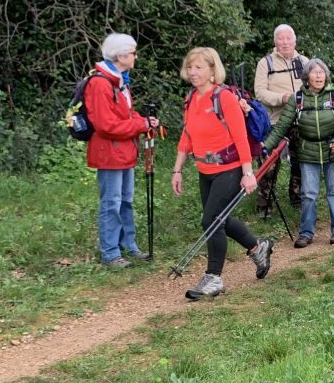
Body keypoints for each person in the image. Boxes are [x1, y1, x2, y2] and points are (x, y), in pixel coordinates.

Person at [172, 47, 274, 300]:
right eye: (190, 67)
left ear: (212, 70)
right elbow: (187, 135)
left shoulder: (224, 97)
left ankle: (213, 278)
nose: (193, 72)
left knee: (211, 220)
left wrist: (248, 173)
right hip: (204, 170)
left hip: (229, 169)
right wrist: (177, 169)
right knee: (220, 219)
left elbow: (240, 136)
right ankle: (257, 247)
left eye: (199, 67)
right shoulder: (191, 98)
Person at [85, 33, 159, 268]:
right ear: (120, 56)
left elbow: (125, 116)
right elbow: (106, 125)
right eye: (133, 52)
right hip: (109, 153)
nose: (136, 56)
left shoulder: (120, 80)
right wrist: (140, 125)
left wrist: (145, 120)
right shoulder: (99, 84)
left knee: (125, 200)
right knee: (111, 203)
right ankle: (110, 253)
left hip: (124, 151)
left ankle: (129, 246)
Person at [264, 59, 334, 247]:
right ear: (307, 77)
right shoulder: (298, 99)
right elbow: (281, 127)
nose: (319, 75)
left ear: (326, 76)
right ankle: (306, 233)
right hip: (307, 152)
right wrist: (266, 147)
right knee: (308, 193)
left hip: (332, 151)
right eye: (314, 72)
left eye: (322, 72)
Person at [253, 24, 310, 215]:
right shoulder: (265, 63)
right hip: (275, 122)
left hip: (301, 121)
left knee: (300, 162)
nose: (285, 42)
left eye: (288, 38)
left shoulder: (304, 61)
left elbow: (314, 87)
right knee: (269, 164)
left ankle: (297, 200)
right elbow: (259, 93)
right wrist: (281, 98)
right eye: (281, 38)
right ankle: (264, 206)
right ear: (275, 41)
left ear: (295, 41)